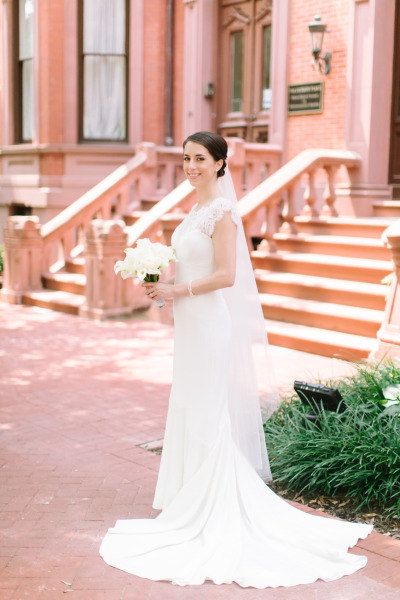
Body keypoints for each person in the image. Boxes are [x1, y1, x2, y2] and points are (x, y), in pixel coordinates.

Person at [99, 131, 373, 588]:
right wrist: (162, 288)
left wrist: (177, 290)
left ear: (221, 164)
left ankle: (210, 509)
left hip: (209, 326)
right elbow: (190, 270)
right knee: (188, 404)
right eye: (186, 158)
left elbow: (226, 276)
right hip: (189, 324)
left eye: (200, 159)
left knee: (207, 412)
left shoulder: (224, 213)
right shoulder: (193, 211)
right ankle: (188, 499)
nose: (191, 166)